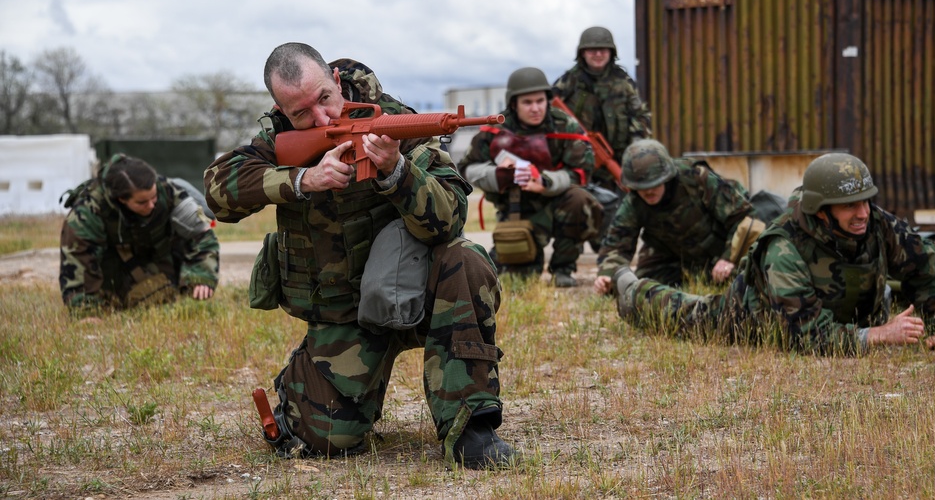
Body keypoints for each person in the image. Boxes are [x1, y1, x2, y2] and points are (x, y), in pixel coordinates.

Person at [203, 42, 517, 469]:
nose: (321, 119)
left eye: (325, 99)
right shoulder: (277, 138)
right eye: (301, 114)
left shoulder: (392, 120)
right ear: (280, 109)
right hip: (343, 313)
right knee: (326, 438)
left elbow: (450, 217)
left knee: (465, 258)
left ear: (335, 79)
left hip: (414, 293)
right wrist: (302, 179)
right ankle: (305, 388)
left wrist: (397, 172)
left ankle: (471, 426)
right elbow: (219, 191)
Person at [611, 152, 935, 355]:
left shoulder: (873, 222)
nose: (863, 213)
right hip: (757, 317)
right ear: (821, 210)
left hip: (843, 308)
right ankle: (631, 290)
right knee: (688, 314)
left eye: (866, 202)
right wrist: (878, 335)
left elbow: (930, 267)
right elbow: (805, 335)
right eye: (850, 206)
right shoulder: (784, 247)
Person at [458, 67, 604, 288]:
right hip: (516, 208)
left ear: (548, 100)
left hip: (559, 201)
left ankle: (563, 268)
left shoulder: (566, 125)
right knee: (516, 280)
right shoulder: (496, 128)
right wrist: (498, 174)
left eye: (540, 101)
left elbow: (581, 172)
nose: (535, 108)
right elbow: (467, 169)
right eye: (527, 102)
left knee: (580, 200)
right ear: (514, 103)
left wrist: (546, 182)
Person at [594, 139, 756, 296]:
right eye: (641, 188)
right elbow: (617, 243)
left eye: (654, 184)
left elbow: (743, 217)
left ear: (667, 177)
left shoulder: (696, 177)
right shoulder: (634, 202)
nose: (648, 192)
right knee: (641, 288)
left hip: (720, 250)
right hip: (673, 257)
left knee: (746, 277)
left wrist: (729, 258)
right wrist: (608, 275)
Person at [59, 153, 219, 311]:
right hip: (112, 272)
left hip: (158, 260)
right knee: (113, 304)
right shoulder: (87, 212)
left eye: (154, 197)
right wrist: (86, 310)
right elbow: (78, 262)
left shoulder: (167, 190)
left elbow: (202, 235)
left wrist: (201, 275)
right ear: (121, 199)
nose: (151, 205)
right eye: (142, 202)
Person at [552, 26, 653, 250]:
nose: (598, 54)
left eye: (603, 50)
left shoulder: (623, 81)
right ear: (582, 53)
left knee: (616, 209)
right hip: (577, 158)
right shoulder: (569, 81)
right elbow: (548, 111)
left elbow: (641, 115)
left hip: (614, 158)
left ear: (611, 52)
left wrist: (635, 146)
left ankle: (608, 253)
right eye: (592, 50)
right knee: (576, 205)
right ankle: (567, 257)